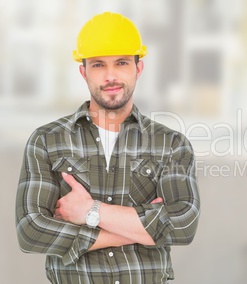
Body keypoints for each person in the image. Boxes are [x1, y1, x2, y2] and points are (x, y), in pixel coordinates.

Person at [15, 11, 200, 284]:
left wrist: (90, 212)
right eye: (99, 65)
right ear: (83, 71)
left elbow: (184, 225)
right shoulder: (46, 140)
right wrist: (141, 229)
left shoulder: (171, 144)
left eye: (122, 63)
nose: (111, 76)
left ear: (138, 68)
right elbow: (29, 231)